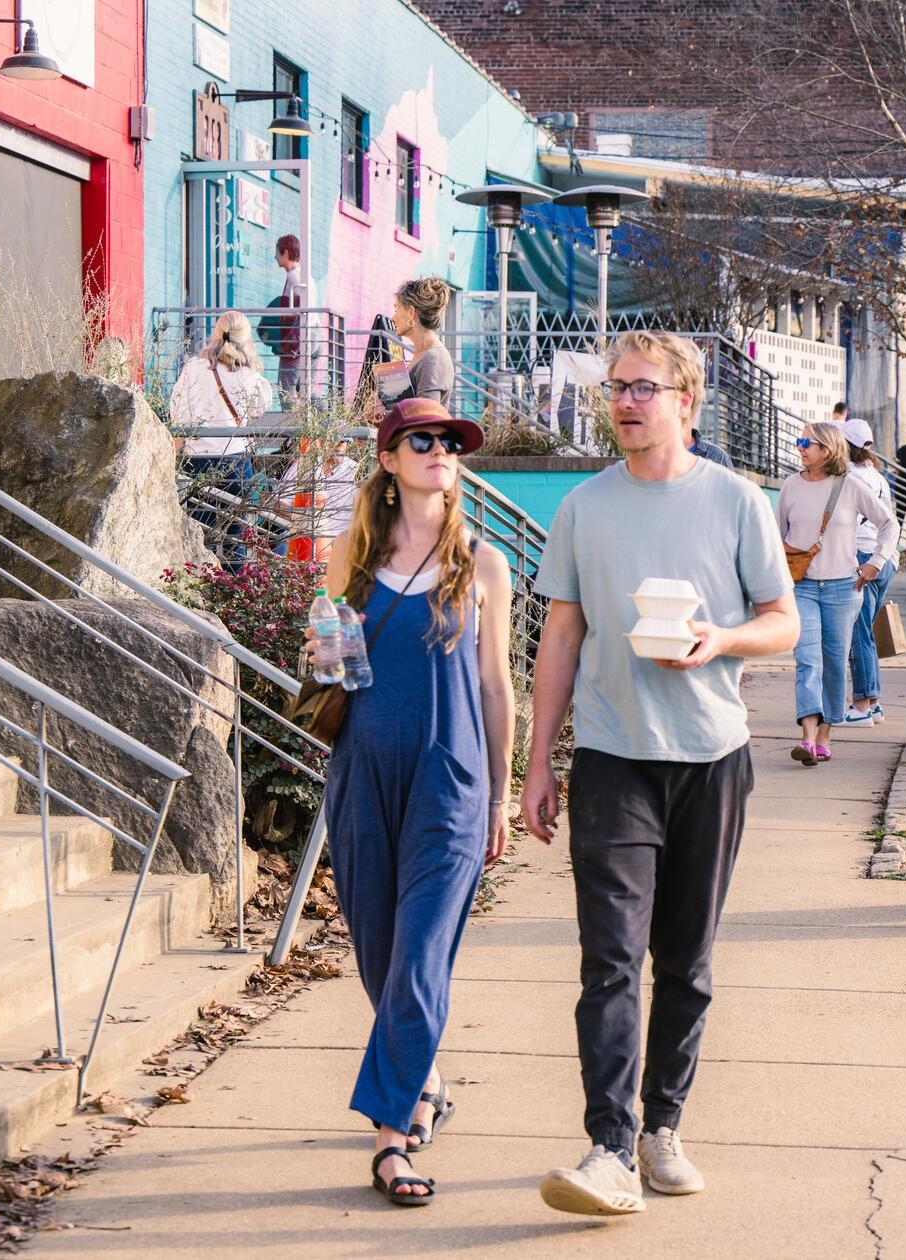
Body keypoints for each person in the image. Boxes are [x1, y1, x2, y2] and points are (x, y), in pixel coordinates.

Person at [522, 331, 799, 1216]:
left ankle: (661, 1129)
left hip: (711, 756)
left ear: (686, 400)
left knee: (685, 960)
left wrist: (721, 640)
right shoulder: (584, 507)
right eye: (615, 387)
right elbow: (561, 635)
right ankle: (608, 1145)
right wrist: (538, 761)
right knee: (609, 957)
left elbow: (783, 621)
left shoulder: (736, 501)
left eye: (642, 388)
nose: (624, 402)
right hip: (612, 758)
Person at [312, 397, 515, 1207]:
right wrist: (322, 649)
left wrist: (499, 796)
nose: (439, 451)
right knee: (379, 952)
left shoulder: (484, 564)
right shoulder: (352, 556)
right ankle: (423, 1077)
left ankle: (390, 1138)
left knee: (422, 954)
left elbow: (495, 687)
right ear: (389, 461)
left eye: (450, 443)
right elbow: (332, 667)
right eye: (421, 440)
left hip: (452, 781)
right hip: (363, 772)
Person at [779, 420, 897, 765]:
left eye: (807, 443)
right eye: (799, 441)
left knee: (833, 663)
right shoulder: (790, 486)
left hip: (844, 589)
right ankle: (807, 738)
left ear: (827, 449)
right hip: (802, 587)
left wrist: (875, 562)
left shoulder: (851, 485)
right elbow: (777, 537)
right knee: (807, 660)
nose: (800, 447)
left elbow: (889, 524)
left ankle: (825, 735)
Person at [170, 312, 275, 567]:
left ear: (216, 334)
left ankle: (200, 584)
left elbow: (179, 414)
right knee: (236, 538)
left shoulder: (195, 368)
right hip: (236, 461)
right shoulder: (248, 373)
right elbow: (260, 408)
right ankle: (234, 584)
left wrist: (174, 455)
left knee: (199, 535)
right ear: (246, 338)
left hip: (198, 460)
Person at [840, 419, 897, 728]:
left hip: (864, 557)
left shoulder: (847, 475)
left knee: (859, 634)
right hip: (883, 558)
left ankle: (862, 704)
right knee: (867, 633)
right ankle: (873, 703)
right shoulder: (876, 475)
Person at [277, 438, 361, 561]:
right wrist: (305, 522)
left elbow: (365, 510)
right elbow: (280, 504)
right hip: (303, 531)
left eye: (344, 441)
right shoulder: (303, 465)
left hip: (340, 538)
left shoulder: (354, 469)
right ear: (320, 442)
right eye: (333, 439)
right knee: (284, 541)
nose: (339, 445)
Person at [394, 277, 455, 406]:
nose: (393, 318)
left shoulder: (432, 360)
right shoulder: (423, 354)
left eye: (396, 310)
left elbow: (425, 417)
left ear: (411, 313)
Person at [265, 235, 305, 395]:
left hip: (296, 342)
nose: (275, 257)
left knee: (286, 392)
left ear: (286, 253)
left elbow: (293, 313)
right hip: (311, 337)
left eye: (277, 253)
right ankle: (326, 413)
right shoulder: (304, 276)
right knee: (306, 392)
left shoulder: (293, 277)